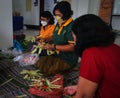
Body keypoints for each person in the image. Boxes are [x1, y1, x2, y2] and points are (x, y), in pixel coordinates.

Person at [63, 14, 120, 98]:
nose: (73, 38)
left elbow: (84, 96)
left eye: (74, 34)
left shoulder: (91, 54)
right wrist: (79, 87)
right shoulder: (115, 48)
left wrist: (81, 91)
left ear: (82, 36)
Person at [35, 1, 78, 75]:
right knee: (39, 64)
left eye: (59, 15)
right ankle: (65, 67)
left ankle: (71, 66)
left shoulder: (71, 27)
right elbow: (54, 36)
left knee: (49, 71)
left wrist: (53, 47)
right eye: (55, 15)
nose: (57, 17)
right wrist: (46, 39)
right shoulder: (59, 22)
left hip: (67, 57)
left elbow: (72, 47)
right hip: (56, 53)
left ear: (66, 14)